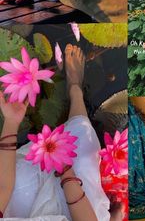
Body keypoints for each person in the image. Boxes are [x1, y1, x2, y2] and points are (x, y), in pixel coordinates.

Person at [0, 44, 123, 221]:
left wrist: (11, 122)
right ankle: (75, 90)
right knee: (82, 154)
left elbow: (3, 187)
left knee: (17, 179)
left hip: (18, 207)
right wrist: (65, 171)